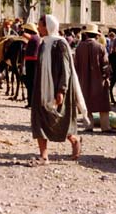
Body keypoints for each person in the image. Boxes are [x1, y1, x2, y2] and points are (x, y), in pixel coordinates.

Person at [30, 15, 89, 166]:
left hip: (57, 88)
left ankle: (74, 139)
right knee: (39, 120)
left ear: (48, 26)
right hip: (41, 89)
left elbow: (66, 69)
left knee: (59, 119)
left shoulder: (60, 44)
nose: (38, 28)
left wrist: (61, 90)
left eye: (40, 25)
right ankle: (43, 156)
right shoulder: (43, 44)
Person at [75, 24, 116, 134]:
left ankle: (88, 125)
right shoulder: (100, 47)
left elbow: (75, 66)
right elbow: (106, 65)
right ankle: (105, 127)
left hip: (83, 80)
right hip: (99, 80)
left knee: (86, 101)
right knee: (103, 104)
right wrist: (107, 77)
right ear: (96, 35)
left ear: (86, 34)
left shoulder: (79, 47)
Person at [22, 22, 40, 109]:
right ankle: (30, 102)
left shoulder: (34, 37)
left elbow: (25, 35)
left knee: (30, 82)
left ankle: (31, 103)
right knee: (30, 82)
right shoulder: (35, 38)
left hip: (32, 62)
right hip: (31, 61)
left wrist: (21, 30)